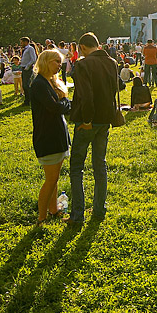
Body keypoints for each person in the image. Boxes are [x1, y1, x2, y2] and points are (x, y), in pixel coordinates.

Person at [67, 32, 117, 224]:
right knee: (100, 165)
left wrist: (86, 119)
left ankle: (77, 215)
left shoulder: (83, 64)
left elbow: (86, 96)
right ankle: (99, 210)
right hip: (105, 119)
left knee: (77, 167)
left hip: (88, 120)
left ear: (82, 47)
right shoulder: (112, 62)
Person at [29, 49, 71, 225]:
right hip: (48, 136)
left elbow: (62, 105)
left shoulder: (50, 82)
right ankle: (41, 217)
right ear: (45, 61)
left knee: (55, 178)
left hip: (57, 135)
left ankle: (53, 210)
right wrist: (64, 103)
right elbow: (55, 107)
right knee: (50, 179)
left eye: (60, 63)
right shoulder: (39, 84)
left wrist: (64, 103)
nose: (58, 66)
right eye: (56, 62)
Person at [19, 37, 37, 105]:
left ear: (26, 42)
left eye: (22, 42)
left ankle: (29, 100)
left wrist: (27, 66)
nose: (21, 44)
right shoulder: (25, 49)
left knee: (27, 85)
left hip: (27, 69)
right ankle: (27, 100)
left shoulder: (30, 49)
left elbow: (33, 59)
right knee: (24, 85)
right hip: (23, 68)